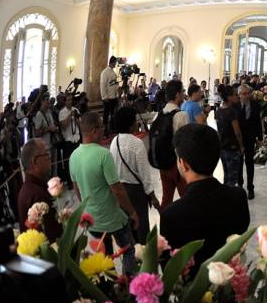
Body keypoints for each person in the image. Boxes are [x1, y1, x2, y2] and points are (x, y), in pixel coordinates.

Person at [160, 124, 249, 272]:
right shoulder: (238, 197)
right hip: (230, 283)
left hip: (192, 293)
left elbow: (169, 269)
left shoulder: (171, 215)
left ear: (183, 164)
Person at [69, 112, 137, 274]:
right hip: (112, 218)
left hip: (92, 220)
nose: (104, 130)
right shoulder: (103, 155)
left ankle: (113, 288)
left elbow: (77, 189)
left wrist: (89, 207)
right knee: (128, 251)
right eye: (101, 127)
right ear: (93, 130)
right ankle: (130, 287)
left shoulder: (73, 156)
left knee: (105, 258)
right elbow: (118, 190)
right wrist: (132, 212)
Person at [110, 107, 160, 243]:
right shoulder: (137, 143)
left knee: (127, 228)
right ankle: (144, 255)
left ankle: (131, 255)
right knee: (142, 227)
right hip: (136, 193)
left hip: (121, 192)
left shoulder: (114, 141)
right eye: (134, 121)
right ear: (130, 123)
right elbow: (145, 174)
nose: (136, 123)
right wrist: (153, 196)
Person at [17, 138, 62, 239]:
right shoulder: (37, 195)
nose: (49, 158)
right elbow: (50, 237)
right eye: (46, 154)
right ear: (35, 161)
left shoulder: (28, 189)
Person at [159, 80, 190, 208]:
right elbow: (187, 142)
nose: (183, 94)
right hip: (178, 164)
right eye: (182, 91)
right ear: (177, 94)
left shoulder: (159, 114)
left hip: (163, 163)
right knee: (187, 198)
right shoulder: (181, 115)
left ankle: (164, 226)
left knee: (166, 198)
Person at [235, 84, 262, 199]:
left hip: (250, 138)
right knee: (239, 163)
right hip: (238, 139)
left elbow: (258, 122)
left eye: (247, 93)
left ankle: (250, 187)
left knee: (250, 163)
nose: (246, 96)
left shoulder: (255, 105)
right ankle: (240, 186)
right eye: (243, 94)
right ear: (239, 95)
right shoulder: (235, 106)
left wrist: (260, 138)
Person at [216, 85, 243, 187]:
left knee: (226, 175)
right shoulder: (232, 112)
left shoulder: (218, 111)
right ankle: (229, 200)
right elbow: (237, 132)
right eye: (235, 95)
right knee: (232, 178)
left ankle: (225, 197)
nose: (238, 96)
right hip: (232, 147)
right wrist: (241, 146)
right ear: (228, 97)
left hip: (223, 147)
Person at [58, 93, 80, 188]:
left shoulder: (76, 110)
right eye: (68, 100)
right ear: (65, 101)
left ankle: (79, 180)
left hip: (77, 139)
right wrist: (69, 115)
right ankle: (70, 182)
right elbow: (63, 125)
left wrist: (75, 118)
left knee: (78, 161)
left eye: (71, 100)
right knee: (69, 163)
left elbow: (80, 125)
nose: (70, 102)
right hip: (68, 140)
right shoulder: (62, 112)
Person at [33, 97, 57, 175]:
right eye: (46, 100)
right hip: (45, 146)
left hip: (53, 143)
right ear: (42, 101)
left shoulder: (49, 112)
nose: (48, 101)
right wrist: (49, 128)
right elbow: (37, 133)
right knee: (47, 170)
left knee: (54, 168)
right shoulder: (39, 114)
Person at [100, 55, 119, 136]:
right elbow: (102, 85)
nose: (116, 64)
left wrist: (117, 93)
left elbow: (114, 84)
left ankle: (112, 129)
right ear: (112, 62)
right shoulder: (105, 72)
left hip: (114, 97)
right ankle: (104, 131)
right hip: (108, 98)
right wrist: (104, 96)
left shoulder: (113, 72)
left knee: (113, 114)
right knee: (106, 115)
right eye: (115, 63)